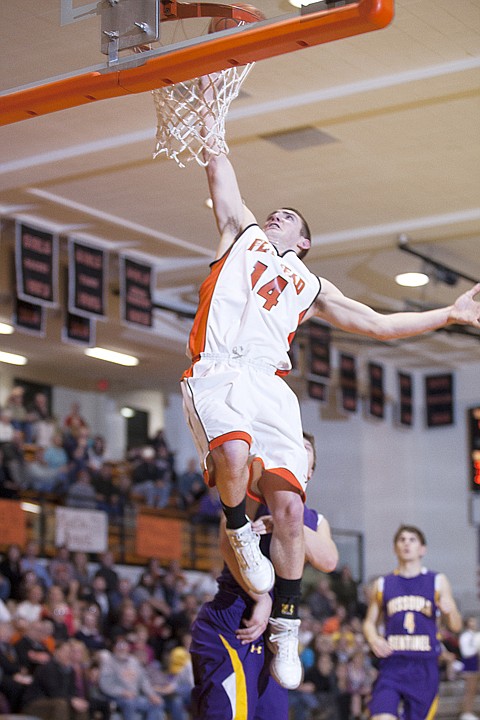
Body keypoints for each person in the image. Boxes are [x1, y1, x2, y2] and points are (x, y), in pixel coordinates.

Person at [180, 99, 480, 688]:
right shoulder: (238, 232)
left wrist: (447, 313)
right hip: (217, 370)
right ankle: (239, 531)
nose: (276, 215)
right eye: (275, 212)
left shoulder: (312, 285)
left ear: (305, 243)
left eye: (289, 217)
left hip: (270, 383)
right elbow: (220, 173)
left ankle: (287, 624)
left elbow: (378, 324)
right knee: (235, 456)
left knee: (291, 509)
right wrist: (210, 117)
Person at [190, 432, 338, 718]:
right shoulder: (253, 492)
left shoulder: (315, 520)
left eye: (305, 446)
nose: (297, 448)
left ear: (309, 470)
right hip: (234, 619)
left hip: (274, 636)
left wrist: (286, 523)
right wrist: (262, 598)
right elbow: (226, 541)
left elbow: (328, 560)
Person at [362, 524, 462, 720]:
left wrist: (449, 612)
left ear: (422, 549)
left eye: (412, 539)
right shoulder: (382, 584)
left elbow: (456, 625)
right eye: (402, 540)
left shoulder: (437, 581)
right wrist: (373, 638)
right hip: (392, 664)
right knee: (381, 717)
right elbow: (368, 622)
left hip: (424, 666)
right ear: (395, 548)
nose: (406, 543)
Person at [458, 616, 480, 720]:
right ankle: (466, 713)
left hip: (475, 666)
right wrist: (476, 649)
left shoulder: (475, 635)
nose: (474, 623)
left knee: (473, 691)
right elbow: (465, 652)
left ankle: (469, 712)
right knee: (469, 691)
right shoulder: (465, 636)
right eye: (471, 621)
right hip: (469, 666)